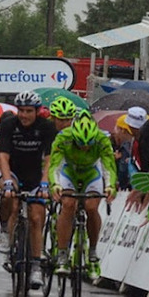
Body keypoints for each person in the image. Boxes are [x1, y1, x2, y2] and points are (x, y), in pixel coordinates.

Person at [0, 90, 56, 289]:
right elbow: (3, 156)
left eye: (29, 111)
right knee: (10, 199)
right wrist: (6, 181)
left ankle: (36, 266)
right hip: (12, 170)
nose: (24, 115)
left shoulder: (47, 127)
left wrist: (45, 183)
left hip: (35, 174)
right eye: (21, 110)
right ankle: (6, 231)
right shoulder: (8, 125)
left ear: (37, 111)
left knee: (37, 217)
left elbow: (49, 160)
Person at [49, 111, 116, 280]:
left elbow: (109, 166)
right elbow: (54, 165)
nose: (85, 147)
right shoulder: (63, 137)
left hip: (91, 173)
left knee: (92, 207)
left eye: (88, 144)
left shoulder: (102, 139)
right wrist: (55, 184)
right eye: (80, 144)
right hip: (69, 172)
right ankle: (63, 254)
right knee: (68, 205)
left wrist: (109, 187)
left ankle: (92, 252)